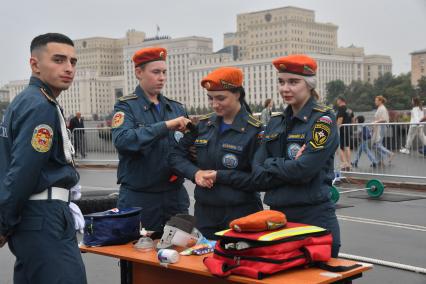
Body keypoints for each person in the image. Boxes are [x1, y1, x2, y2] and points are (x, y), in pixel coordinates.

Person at [0, 33, 87, 283]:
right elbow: (23, 170)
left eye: (72, 61)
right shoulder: (40, 105)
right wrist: (3, 223)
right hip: (44, 217)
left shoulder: (26, 101)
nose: (69, 68)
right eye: (59, 60)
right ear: (35, 64)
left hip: (34, 216)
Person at [251, 54, 341, 257]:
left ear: (309, 84)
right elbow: (256, 174)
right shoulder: (276, 122)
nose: (285, 88)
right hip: (278, 219)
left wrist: (269, 163)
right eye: (281, 82)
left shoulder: (322, 120)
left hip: (313, 218)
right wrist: (286, 165)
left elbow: (304, 170)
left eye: (293, 82)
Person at [168, 67, 263, 239]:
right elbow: (175, 157)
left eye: (221, 98)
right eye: (210, 98)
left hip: (242, 213)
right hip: (206, 214)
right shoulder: (203, 126)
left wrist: (219, 176)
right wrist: (195, 173)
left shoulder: (255, 131)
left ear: (237, 94)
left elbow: (259, 179)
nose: (214, 104)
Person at [111, 47, 191, 232]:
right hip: (140, 199)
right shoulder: (126, 106)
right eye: (155, 72)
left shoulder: (176, 108)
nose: (162, 77)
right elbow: (123, 140)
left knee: (177, 255)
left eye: (164, 72)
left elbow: (187, 150)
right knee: (138, 255)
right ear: (139, 72)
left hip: (174, 198)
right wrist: (166, 126)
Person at [372, 95, 393, 165]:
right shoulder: (380, 108)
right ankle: (380, 161)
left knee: (377, 144)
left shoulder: (382, 108)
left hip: (381, 127)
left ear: (380, 101)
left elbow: (383, 119)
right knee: (377, 144)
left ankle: (389, 154)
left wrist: (375, 122)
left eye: (376, 100)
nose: (375, 102)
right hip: (379, 127)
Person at [336, 96, 354, 170]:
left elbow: (340, 119)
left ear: (340, 100)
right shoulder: (349, 110)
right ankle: (349, 164)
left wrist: (336, 128)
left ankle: (344, 163)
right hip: (348, 129)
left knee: (338, 146)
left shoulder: (341, 108)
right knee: (347, 147)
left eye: (337, 100)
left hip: (342, 130)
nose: (337, 102)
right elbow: (353, 120)